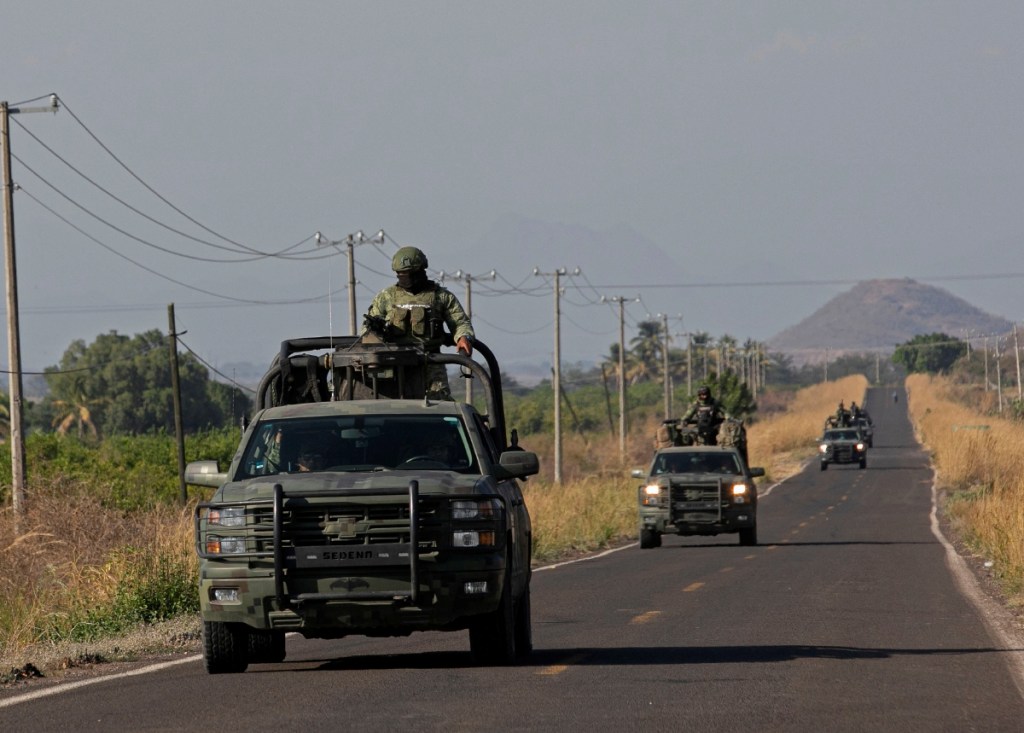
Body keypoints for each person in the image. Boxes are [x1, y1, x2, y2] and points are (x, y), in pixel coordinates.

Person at [360, 246, 474, 400]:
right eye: (400, 274)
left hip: (431, 360)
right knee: (391, 405)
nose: (404, 278)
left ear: (421, 270)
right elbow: (367, 329)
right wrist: (376, 331)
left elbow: (460, 322)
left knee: (439, 403)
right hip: (395, 363)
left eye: (408, 273)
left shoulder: (441, 297)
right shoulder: (386, 296)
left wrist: (463, 337)